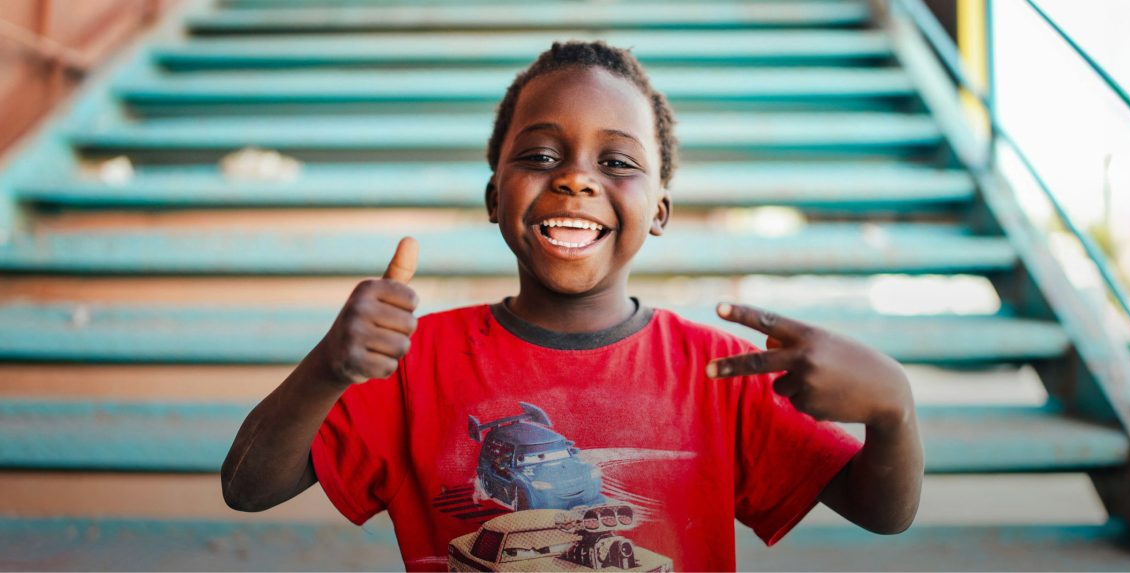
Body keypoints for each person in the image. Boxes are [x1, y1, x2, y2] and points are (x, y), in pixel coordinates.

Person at [221, 41, 923, 572]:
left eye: (617, 162)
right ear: (495, 196)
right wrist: (328, 367)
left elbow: (881, 511)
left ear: (660, 210)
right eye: (540, 156)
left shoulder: (719, 370)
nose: (577, 180)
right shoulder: (413, 360)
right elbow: (247, 488)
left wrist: (893, 409)